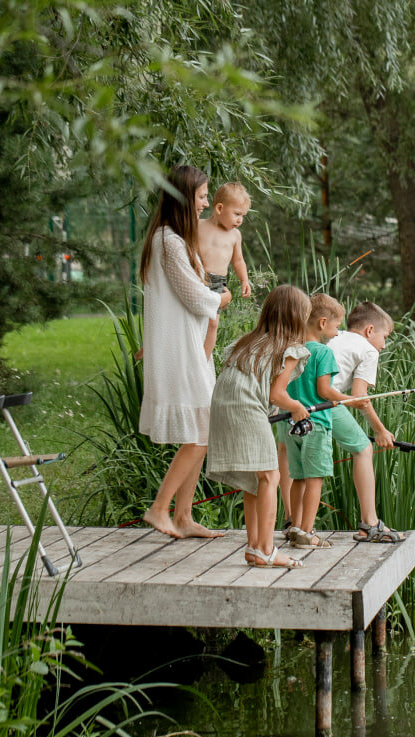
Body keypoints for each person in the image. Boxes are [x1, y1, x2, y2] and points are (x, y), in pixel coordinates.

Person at [138, 164, 231, 539]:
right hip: (179, 350)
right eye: (202, 196)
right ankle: (159, 508)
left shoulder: (175, 239)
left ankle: (183, 516)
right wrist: (221, 298)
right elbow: (196, 298)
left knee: (202, 430)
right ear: (183, 198)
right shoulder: (169, 242)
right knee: (202, 430)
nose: (206, 203)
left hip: (190, 346)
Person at [206, 285, 313, 568]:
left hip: (223, 405)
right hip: (245, 407)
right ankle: (267, 549)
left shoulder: (248, 342)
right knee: (270, 476)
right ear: (297, 317)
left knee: (256, 479)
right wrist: (296, 407)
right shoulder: (291, 349)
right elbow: (276, 394)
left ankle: (254, 547)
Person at [277, 294, 354, 549]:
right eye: (336, 326)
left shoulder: (291, 351)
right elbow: (325, 391)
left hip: (290, 426)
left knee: (298, 477)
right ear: (322, 323)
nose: (337, 332)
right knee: (315, 478)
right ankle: (307, 532)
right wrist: (352, 400)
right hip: (317, 425)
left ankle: (295, 527)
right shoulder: (323, 352)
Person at [327, 301, 407, 542]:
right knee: (363, 448)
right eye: (385, 336)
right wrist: (380, 430)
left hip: (293, 399)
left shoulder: (335, 336)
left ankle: (292, 521)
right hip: (324, 401)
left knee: (287, 452)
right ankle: (370, 524)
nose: (384, 344)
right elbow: (359, 397)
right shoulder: (368, 350)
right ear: (370, 330)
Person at [196, 181, 253, 361]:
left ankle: (204, 360)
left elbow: (238, 260)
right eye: (237, 214)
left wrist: (244, 280)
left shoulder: (235, 235)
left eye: (243, 215)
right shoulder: (198, 225)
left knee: (213, 324)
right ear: (220, 208)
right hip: (197, 278)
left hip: (217, 283)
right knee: (191, 319)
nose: (240, 220)